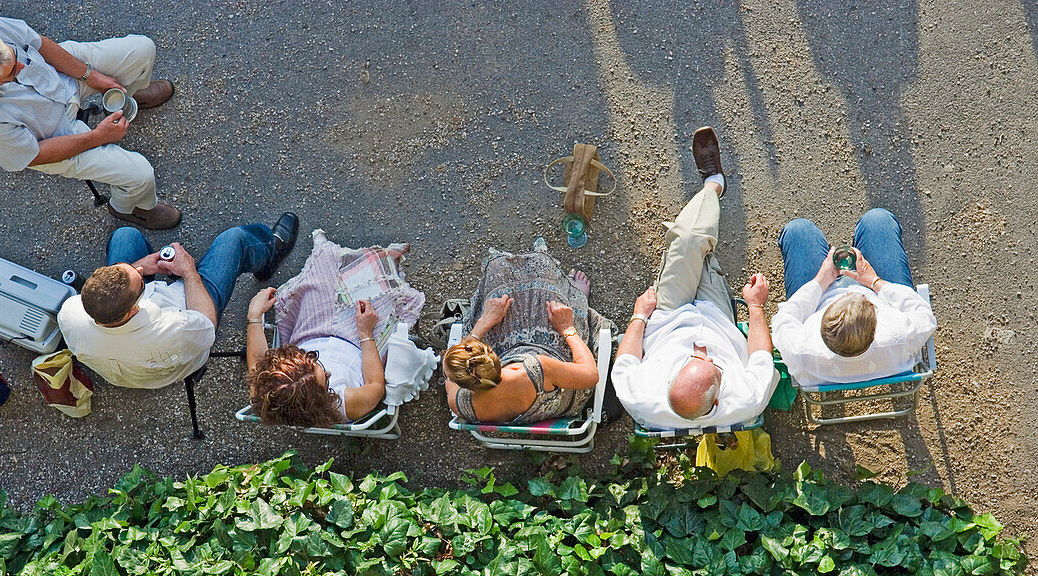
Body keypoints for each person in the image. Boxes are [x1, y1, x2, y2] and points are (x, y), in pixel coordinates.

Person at [0, 14, 181, 229]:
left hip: (59, 77)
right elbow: (34, 155)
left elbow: (40, 45)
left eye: (15, 57)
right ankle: (130, 207)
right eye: (12, 72)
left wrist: (91, 75)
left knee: (142, 49)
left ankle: (127, 93)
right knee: (141, 174)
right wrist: (97, 137)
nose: (22, 67)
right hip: (52, 137)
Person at [612, 127, 779, 429]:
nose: (701, 353)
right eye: (712, 365)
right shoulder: (747, 399)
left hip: (668, 313)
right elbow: (759, 355)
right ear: (717, 400)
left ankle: (713, 186)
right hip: (717, 315)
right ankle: (705, 204)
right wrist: (755, 307)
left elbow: (624, 363)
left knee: (688, 240)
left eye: (692, 359)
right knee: (698, 252)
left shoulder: (641, 399)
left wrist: (638, 317)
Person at [58, 213, 298, 389]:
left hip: (125, 368)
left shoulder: (69, 313)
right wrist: (189, 271)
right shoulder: (176, 330)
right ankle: (270, 253)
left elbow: (132, 271)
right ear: (132, 310)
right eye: (141, 279)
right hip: (187, 322)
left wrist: (136, 267)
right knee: (233, 240)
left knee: (125, 236)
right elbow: (206, 323)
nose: (141, 269)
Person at [246, 229, 431, 427]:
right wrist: (365, 333)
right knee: (376, 297)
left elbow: (258, 364)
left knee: (324, 268)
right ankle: (387, 261)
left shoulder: (269, 393)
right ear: (316, 402)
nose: (328, 374)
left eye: (316, 365)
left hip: (308, 331)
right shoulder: (347, 403)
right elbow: (375, 385)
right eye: (324, 380)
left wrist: (254, 316)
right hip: (360, 345)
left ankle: (329, 251)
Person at [442, 238, 612, 425]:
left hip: (517, 363)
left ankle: (570, 296)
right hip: (566, 384)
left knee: (499, 272)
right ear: (490, 352)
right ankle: (576, 299)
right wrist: (567, 328)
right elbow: (590, 375)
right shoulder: (535, 370)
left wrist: (483, 323)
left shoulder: (460, 402)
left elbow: (451, 368)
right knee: (548, 289)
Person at [770, 211, 937, 387]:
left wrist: (821, 280)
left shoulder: (800, 349)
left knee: (798, 230)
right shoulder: (901, 335)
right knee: (877, 220)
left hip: (819, 298)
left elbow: (784, 318)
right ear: (875, 328)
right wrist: (874, 281)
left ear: (823, 326)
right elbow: (923, 314)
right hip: (872, 288)